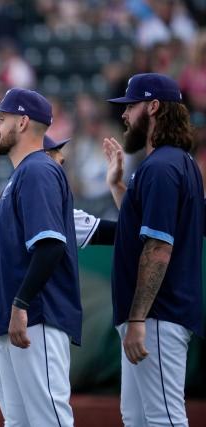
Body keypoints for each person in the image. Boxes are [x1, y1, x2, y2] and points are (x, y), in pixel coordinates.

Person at [0, 135, 116, 420]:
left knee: (18, 420)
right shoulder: (45, 202)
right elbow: (107, 232)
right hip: (28, 320)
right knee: (50, 417)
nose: (61, 163)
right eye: (57, 156)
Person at [103, 73, 203, 427]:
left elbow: (159, 247)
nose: (125, 115)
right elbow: (140, 227)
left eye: (131, 105)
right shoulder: (176, 163)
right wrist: (117, 186)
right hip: (157, 314)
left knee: (163, 419)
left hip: (157, 314)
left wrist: (138, 318)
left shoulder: (161, 167)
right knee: (138, 418)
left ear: (154, 106)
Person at [0, 88, 80, 426]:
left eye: (2, 118)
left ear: (22, 122)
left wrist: (21, 303)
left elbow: (51, 245)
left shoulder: (38, 170)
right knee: (20, 422)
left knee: (48, 420)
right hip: (19, 320)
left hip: (36, 317)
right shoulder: (23, 173)